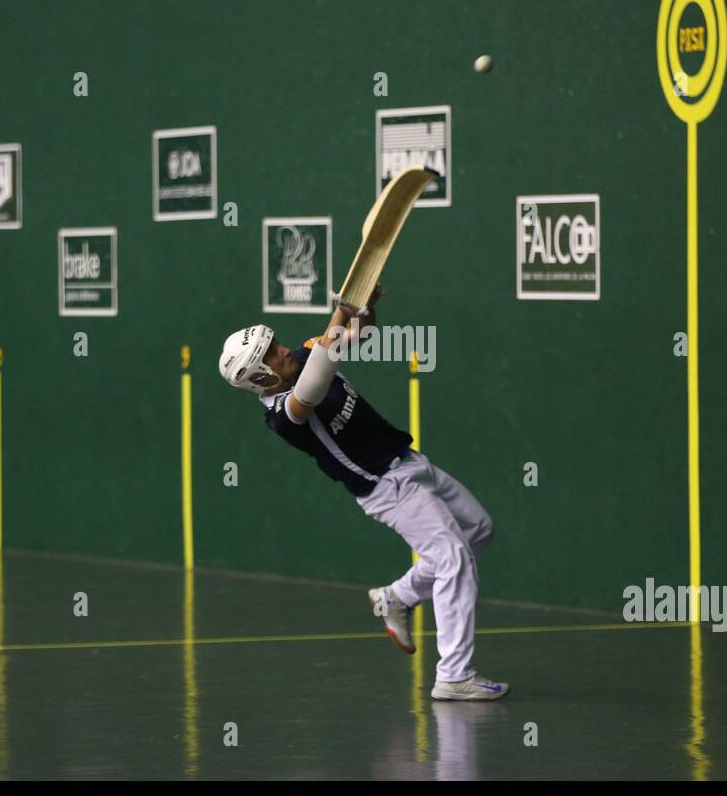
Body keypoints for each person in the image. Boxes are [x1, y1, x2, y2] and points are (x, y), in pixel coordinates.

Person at [217, 286, 509, 700]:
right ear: (261, 378)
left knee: (478, 529)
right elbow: (319, 377)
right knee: (452, 557)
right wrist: (341, 308)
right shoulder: (284, 414)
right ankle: (454, 675)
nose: (283, 351)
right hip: (385, 487)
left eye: (276, 344)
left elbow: (360, 335)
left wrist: (364, 306)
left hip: (408, 460)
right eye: (271, 355)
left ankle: (397, 597)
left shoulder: (301, 357)